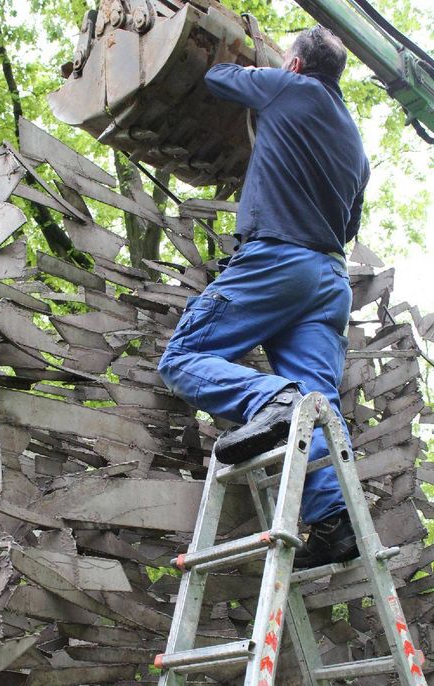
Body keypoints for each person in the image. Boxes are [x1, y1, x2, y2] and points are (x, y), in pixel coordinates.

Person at [158, 26, 370, 569]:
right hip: (328, 281)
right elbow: (347, 226)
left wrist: (260, 62)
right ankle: (333, 525)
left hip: (277, 260)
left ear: (296, 66)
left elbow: (217, 76)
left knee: (182, 358)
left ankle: (269, 402)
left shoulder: (288, 87)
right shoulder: (357, 149)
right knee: (318, 404)